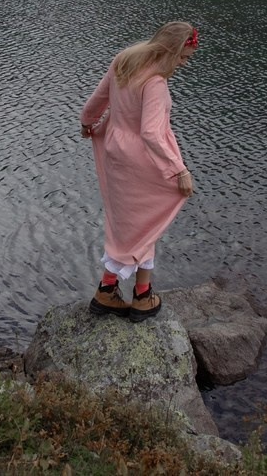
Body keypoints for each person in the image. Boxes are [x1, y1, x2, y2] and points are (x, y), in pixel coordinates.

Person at [80, 21, 198, 322]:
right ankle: (142, 296)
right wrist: (178, 170)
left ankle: (108, 289)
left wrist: (87, 121)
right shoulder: (155, 83)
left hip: (115, 152)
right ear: (171, 52)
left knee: (128, 223)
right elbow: (151, 134)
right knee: (146, 224)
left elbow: (99, 97)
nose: (184, 65)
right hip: (143, 160)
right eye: (183, 58)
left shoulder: (125, 59)